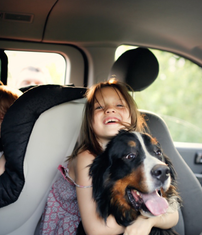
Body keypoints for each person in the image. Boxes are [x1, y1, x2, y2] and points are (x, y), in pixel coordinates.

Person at [39, 79, 179, 235]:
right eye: (100, 107)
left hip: (115, 221)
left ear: (132, 115)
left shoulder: (143, 144)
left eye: (119, 105)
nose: (110, 110)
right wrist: (144, 218)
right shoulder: (87, 157)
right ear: (89, 121)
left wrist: (149, 220)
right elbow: (95, 230)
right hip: (80, 226)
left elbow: (173, 213)